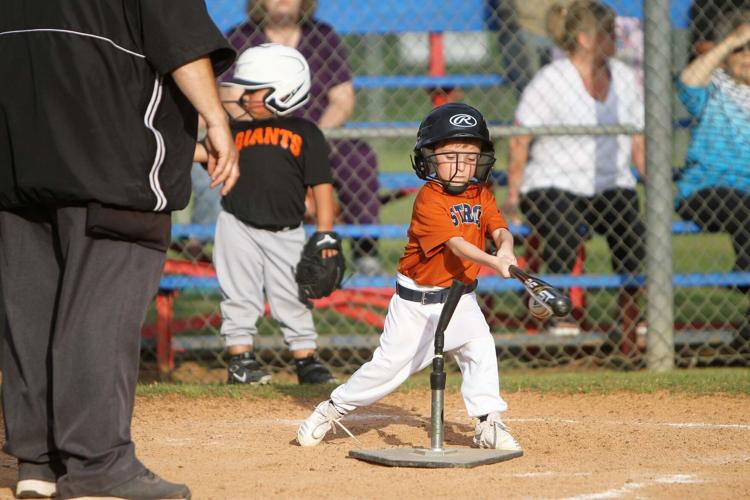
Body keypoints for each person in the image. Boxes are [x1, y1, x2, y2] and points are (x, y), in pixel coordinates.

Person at [0, 1, 238, 498]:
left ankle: (36, 462)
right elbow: (182, 43)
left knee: (30, 305)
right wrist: (215, 117)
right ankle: (96, 466)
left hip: (17, 153)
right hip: (113, 159)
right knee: (101, 308)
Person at [296, 102, 522, 453]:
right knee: (387, 371)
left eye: (469, 153)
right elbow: (458, 246)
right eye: (450, 155)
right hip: (417, 304)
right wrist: (495, 262)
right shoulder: (429, 200)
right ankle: (332, 408)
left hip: (459, 297)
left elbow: (499, 228)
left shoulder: (482, 194)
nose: (461, 164)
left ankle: (488, 421)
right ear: (429, 157)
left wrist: (505, 248)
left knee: (480, 348)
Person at [503, 0, 646, 344]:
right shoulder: (552, 79)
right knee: (562, 230)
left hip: (609, 182)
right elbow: (520, 140)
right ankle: (556, 313)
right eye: (608, 33)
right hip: (552, 181)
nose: (616, 38)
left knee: (633, 235)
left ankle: (630, 318)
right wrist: (511, 197)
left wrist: (650, 182)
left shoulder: (625, 78)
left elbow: (639, 139)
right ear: (584, 38)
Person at [195, 43, 338, 386]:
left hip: (287, 232)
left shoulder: (306, 133)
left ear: (285, 93)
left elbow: (321, 186)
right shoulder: (232, 130)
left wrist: (325, 232)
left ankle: (306, 359)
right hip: (236, 224)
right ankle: (240, 359)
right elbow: (204, 153)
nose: (243, 99)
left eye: (253, 93)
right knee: (239, 293)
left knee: (292, 296)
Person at [220, 0, 384, 275]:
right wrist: (263, 131)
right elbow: (229, 96)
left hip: (320, 135)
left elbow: (342, 99)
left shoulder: (322, 36)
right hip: (258, 137)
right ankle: (249, 259)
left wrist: (313, 138)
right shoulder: (241, 37)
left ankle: (365, 251)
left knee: (359, 157)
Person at [676, 11, 750, 349]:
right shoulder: (716, 86)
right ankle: (744, 273)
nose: (746, 57)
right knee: (742, 206)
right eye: (741, 50)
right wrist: (731, 39)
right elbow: (688, 82)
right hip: (705, 189)